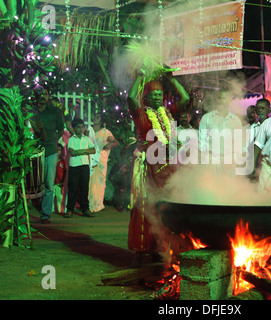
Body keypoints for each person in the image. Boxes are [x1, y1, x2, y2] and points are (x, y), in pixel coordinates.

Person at [127, 69, 190, 264]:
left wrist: (172, 79)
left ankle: (162, 248)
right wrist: (138, 77)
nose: (157, 98)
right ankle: (143, 248)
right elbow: (130, 97)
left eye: (160, 95)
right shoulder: (141, 115)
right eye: (153, 95)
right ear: (146, 97)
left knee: (167, 205)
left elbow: (185, 98)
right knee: (148, 205)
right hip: (149, 165)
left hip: (169, 166)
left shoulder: (169, 113)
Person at [31, 89, 64, 224]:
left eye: (45, 94)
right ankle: (33, 207)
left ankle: (45, 214)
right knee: (35, 182)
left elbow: (61, 129)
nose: (43, 96)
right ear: (36, 96)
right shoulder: (32, 112)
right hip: (35, 150)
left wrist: (54, 140)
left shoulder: (55, 111)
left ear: (48, 95)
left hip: (51, 150)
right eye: (40, 94)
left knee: (49, 184)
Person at [198, 90, 242, 169]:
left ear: (229, 101)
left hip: (229, 161)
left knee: (228, 181)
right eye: (219, 98)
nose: (221, 101)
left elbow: (238, 143)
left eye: (224, 98)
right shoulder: (207, 118)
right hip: (211, 160)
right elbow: (202, 142)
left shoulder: (236, 120)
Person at [88, 113, 119, 212]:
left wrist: (109, 143)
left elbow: (116, 142)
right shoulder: (89, 130)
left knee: (100, 182)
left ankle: (98, 205)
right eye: (94, 117)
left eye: (98, 117)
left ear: (101, 121)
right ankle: (89, 203)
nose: (95, 119)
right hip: (90, 158)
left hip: (101, 159)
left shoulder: (105, 132)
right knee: (90, 181)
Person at [66, 118, 96, 218]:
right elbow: (72, 152)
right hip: (74, 166)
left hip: (84, 166)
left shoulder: (87, 139)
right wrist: (85, 151)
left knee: (84, 189)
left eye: (82, 127)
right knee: (73, 188)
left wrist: (80, 151)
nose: (81, 129)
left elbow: (93, 151)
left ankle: (85, 209)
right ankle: (70, 209)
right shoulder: (71, 139)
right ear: (74, 128)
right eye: (78, 127)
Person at [54, 143, 67, 215]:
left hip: (59, 183)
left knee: (59, 197)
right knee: (51, 197)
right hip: (52, 182)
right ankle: (51, 210)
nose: (57, 151)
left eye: (59, 150)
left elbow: (65, 172)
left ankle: (59, 210)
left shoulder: (62, 161)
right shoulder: (52, 161)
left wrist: (63, 182)